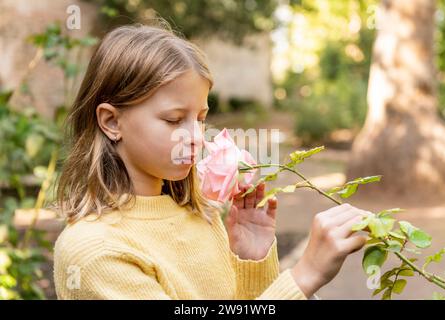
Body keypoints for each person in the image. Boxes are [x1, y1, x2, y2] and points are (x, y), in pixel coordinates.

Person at [52, 23, 369, 300]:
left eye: (201, 118)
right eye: (174, 120)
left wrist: (252, 260)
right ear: (111, 122)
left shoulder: (199, 214)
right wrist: (305, 276)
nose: (196, 136)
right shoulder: (93, 252)